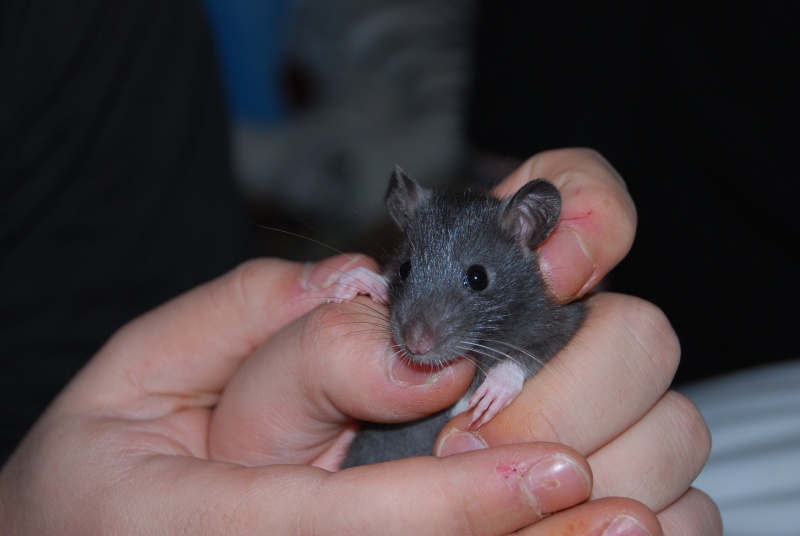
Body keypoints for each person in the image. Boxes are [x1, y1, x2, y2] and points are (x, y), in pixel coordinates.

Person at [0, 0, 720, 533]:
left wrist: (512, 371)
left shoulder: (89, 42)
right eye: (405, 279)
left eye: (471, 281)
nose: (420, 329)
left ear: (530, 230)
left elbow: (564, 336)